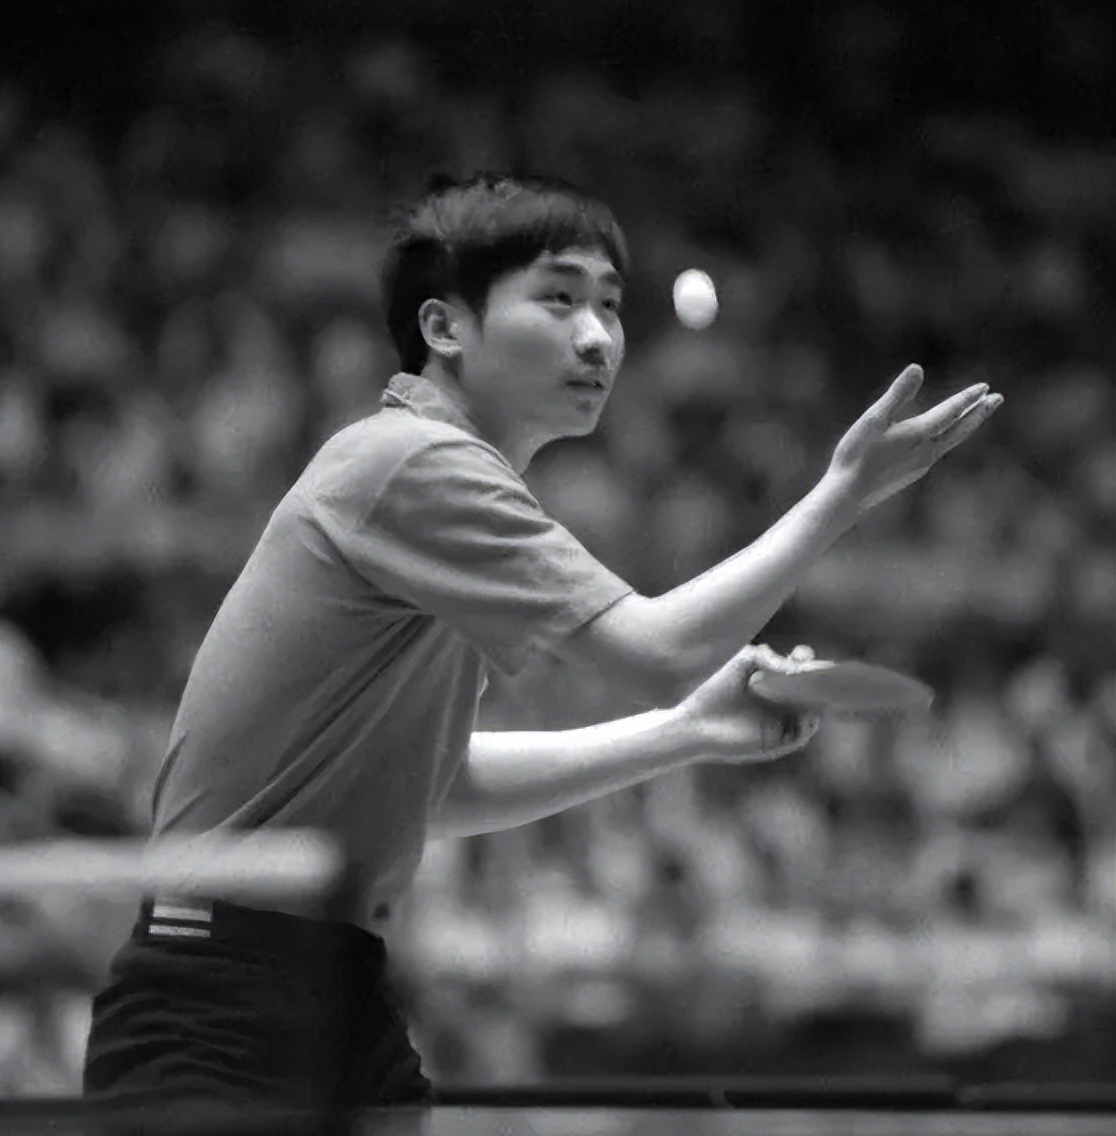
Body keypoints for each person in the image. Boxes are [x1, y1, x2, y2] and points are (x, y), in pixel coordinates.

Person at [82, 173, 1002, 1117]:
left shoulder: (442, 496)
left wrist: (684, 732)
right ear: (446, 328)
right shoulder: (411, 461)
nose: (597, 336)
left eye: (610, 305)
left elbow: (436, 786)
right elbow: (658, 651)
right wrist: (842, 495)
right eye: (559, 299)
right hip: (219, 999)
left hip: (334, 990)